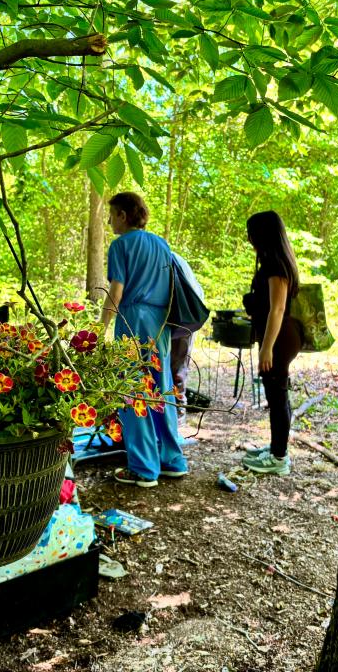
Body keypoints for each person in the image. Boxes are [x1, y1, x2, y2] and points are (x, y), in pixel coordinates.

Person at [100, 192, 188, 488]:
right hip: (160, 323)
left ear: (123, 215)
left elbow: (116, 290)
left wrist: (101, 326)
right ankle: (172, 460)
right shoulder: (162, 244)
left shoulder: (120, 245)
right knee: (161, 388)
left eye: (112, 214)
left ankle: (143, 468)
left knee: (132, 390)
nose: (110, 220)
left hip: (133, 320)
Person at [241, 210, 303, 475]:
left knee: (277, 397)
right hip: (278, 336)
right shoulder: (274, 262)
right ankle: (277, 448)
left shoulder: (276, 266)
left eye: (252, 233)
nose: (249, 239)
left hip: (280, 338)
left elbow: (277, 309)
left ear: (263, 235)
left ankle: (279, 458)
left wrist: (266, 347)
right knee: (275, 395)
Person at [169, 251, 205, 426]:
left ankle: (177, 416)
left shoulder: (169, 261)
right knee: (173, 367)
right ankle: (171, 414)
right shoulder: (164, 258)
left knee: (177, 368)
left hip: (184, 318)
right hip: (175, 318)